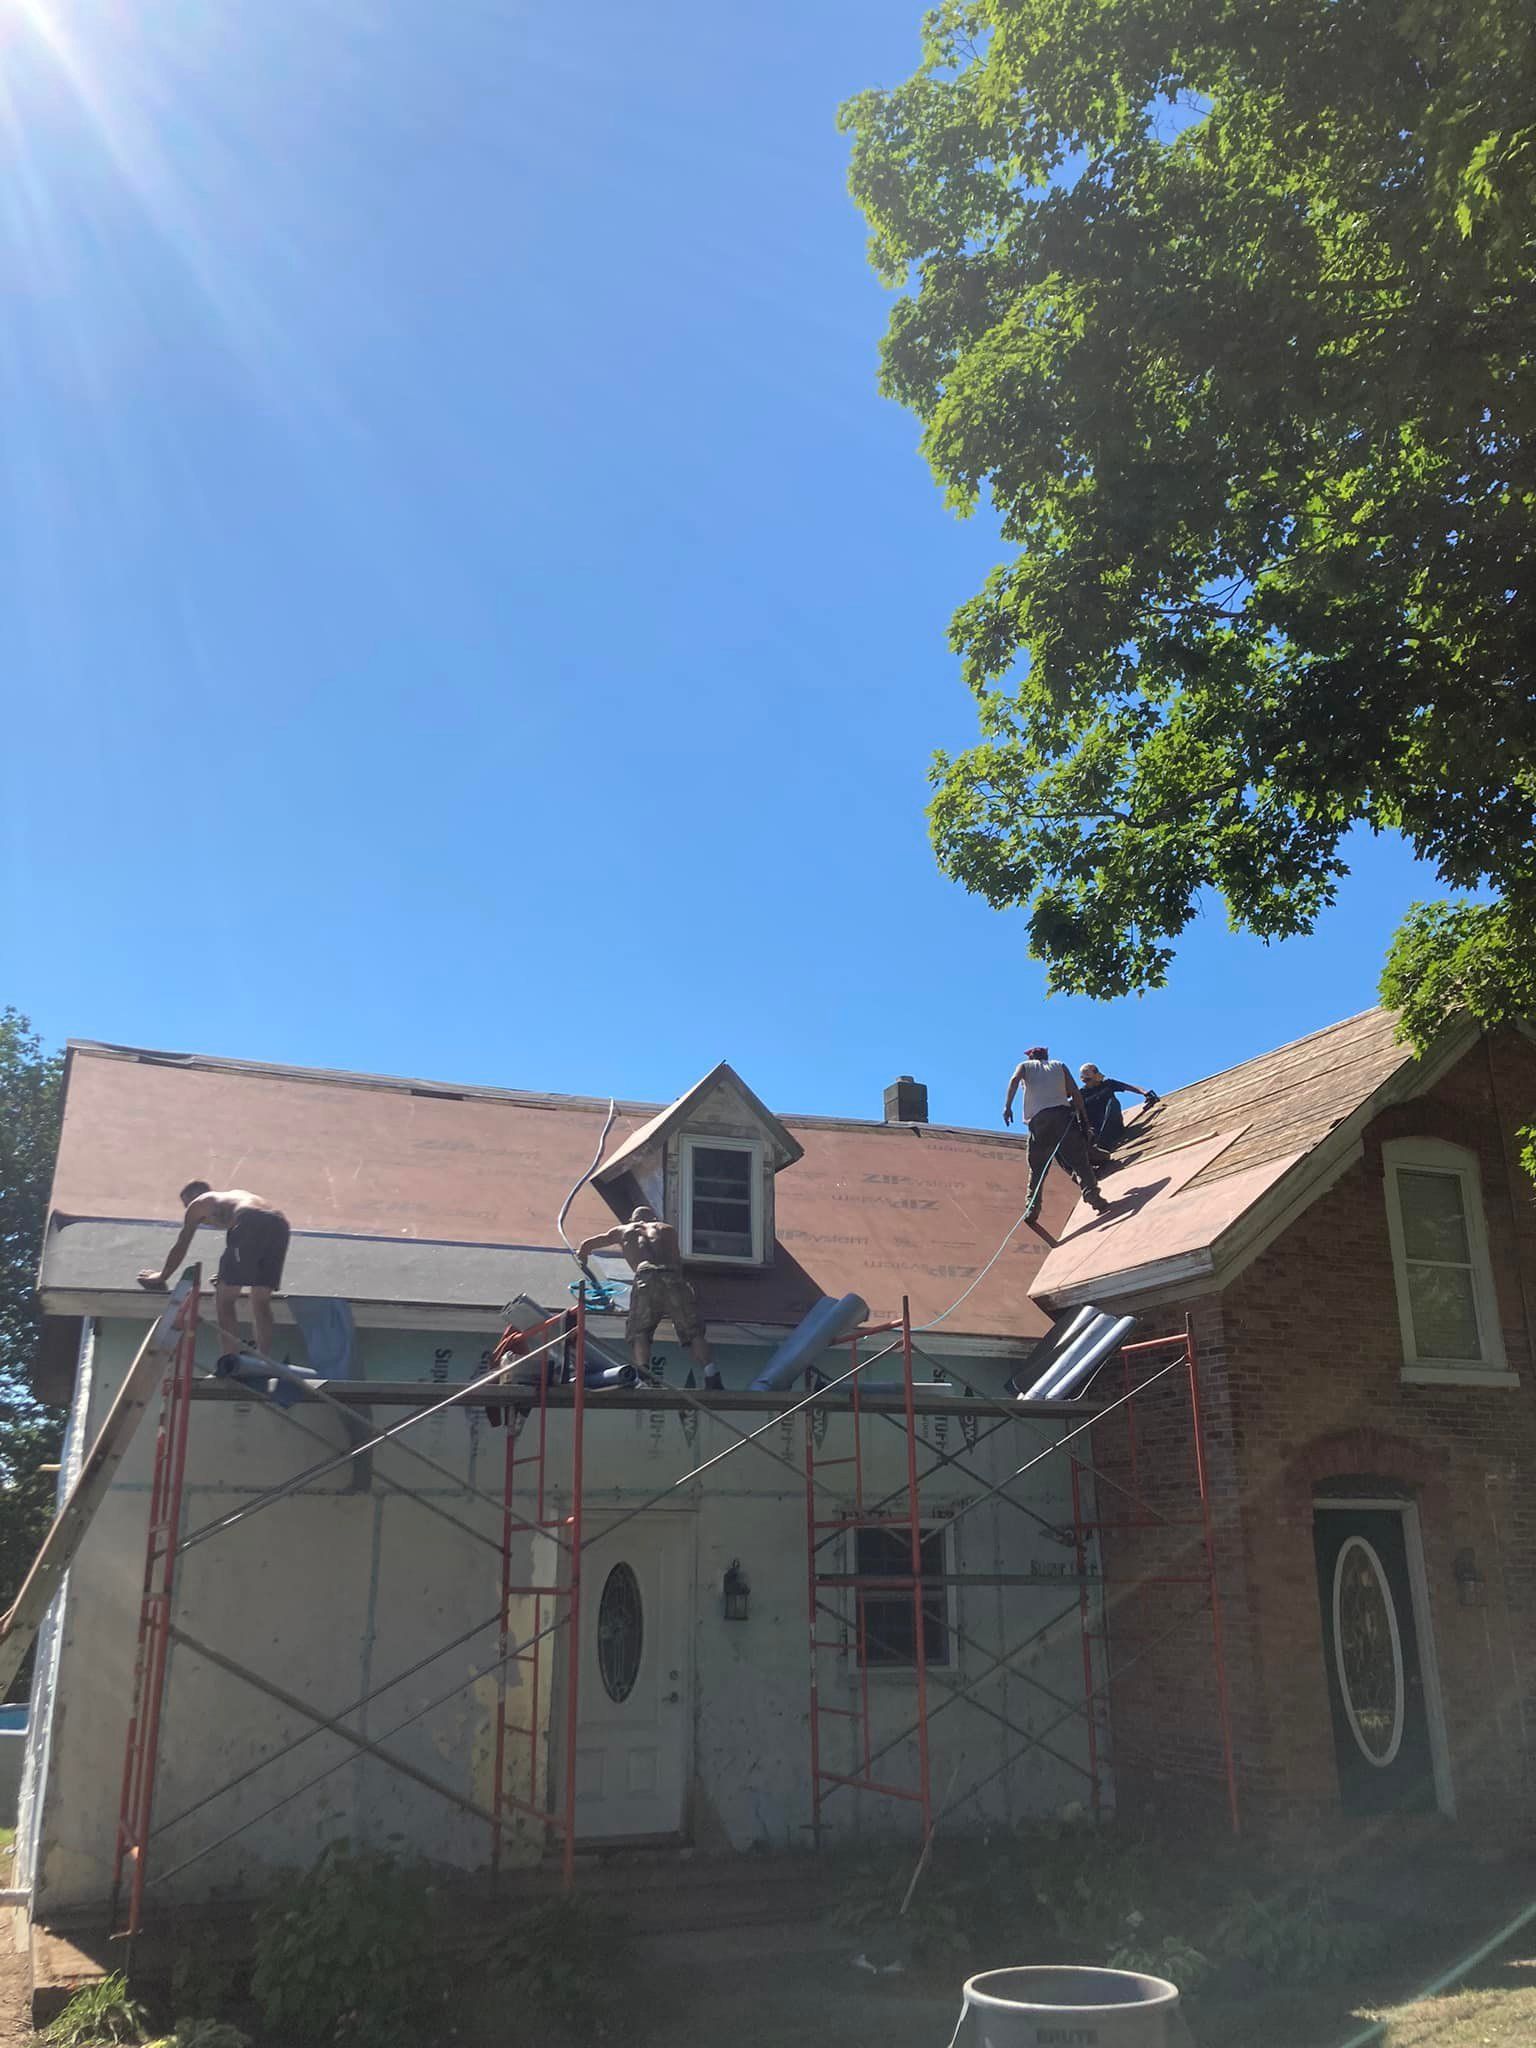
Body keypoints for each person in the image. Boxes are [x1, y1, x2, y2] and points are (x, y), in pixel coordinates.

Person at [138, 1182, 291, 1360]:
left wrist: (162, 1276)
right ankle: (264, 1359)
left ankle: (229, 1359)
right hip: (280, 1224)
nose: (188, 1210)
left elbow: (182, 1243)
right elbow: (250, 1244)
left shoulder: (199, 1203)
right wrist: (229, 1274)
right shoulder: (236, 1196)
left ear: (193, 1196)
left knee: (224, 1298)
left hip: (249, 1220)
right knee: (261, 1299)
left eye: (186, 1204)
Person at [576, 1206, 722, 1389]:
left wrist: (582, 1255)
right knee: (694, 1332)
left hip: (646, 1278)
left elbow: (588, 1244)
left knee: (640, 1332)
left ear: (632, 1220)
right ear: (654, 1218)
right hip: (673, 1277)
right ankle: (711, 1374)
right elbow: (677, 1260)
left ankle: (644, 1377)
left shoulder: (623, 1230)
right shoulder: (667, 1229)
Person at [1002, 1047, 1108, 1219]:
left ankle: (1032, 1208)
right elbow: (1075, 1092)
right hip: (1062, 1117)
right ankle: (1093, 1196)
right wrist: (1084, 1121)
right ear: (1046, 1056)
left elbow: (1014, 1080)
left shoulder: (1025, 1066)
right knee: (1080, 1161)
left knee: (1038, 1168)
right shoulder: (1059, 1065)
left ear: (1031, 1057)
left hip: (1039, 1121)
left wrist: (1007, 1107)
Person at [1078, 1064, 1160, 1150]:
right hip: (1097, 1131)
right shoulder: (1081, 1094)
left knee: (1112, 1102)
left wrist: (1145, 1093)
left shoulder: (1108, 1084)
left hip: (1115, 1126)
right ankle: (1097, 1142)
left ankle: (1103, 1139)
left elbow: (1129, 1087)